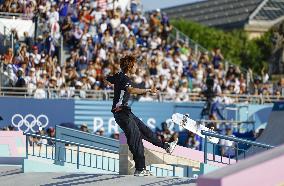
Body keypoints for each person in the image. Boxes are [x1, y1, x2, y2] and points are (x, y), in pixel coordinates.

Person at [105, 55, 178, 177]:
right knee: (136, 139)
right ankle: (140, 169)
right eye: (135, 65)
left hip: (126, 112)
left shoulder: (119, 76)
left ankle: (166, 146)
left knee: (145, 131)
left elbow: (107, 79)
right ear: (130, 66)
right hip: (121, 113)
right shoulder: (125, 79)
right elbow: (132, 91)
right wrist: (148, 90)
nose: (137, 67)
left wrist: (112, 84)